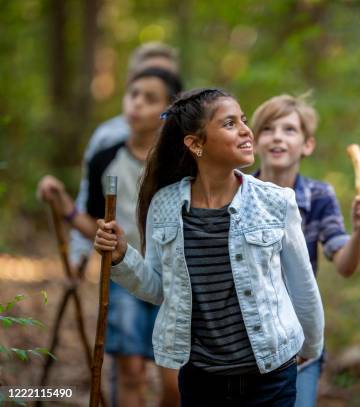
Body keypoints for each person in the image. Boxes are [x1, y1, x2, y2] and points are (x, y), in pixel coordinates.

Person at [93, 88, 325, 406]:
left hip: (271, 373)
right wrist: (122, 257)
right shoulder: (166, 205)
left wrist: (310, 349)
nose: (246, 130)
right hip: (202, 378)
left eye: (244, 120)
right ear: (196, 143)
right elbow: (160, 289)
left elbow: (302, 285)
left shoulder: (275, 201)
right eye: (230, 124)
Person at [37, 68, 183, 407]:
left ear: (169, 109)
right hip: (123, 275)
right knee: (129, 371)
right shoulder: (105, 158)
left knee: (175, 383)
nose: (136, 104)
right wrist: (65, 207)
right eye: (133, 94)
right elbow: (94, 225)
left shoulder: (181, 163)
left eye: (150, 98)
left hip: (176, 279)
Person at [250, 93, 360, 407]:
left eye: (289, 130)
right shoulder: (238, 192)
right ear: (254, 142)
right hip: (249, 338)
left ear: (307, 145)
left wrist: (359, 227)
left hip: (300, 340)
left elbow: (345, 265)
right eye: (268, 129)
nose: (278, 136)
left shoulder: (319, 195)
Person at [70, 42, 180, 265]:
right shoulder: (106, 140)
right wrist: (79, 254)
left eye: (163, 76)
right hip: (125, 264)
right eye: (136, 91)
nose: (139, 103)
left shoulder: (185, 152)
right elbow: (88, 201)